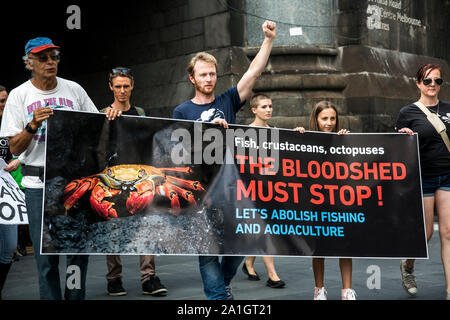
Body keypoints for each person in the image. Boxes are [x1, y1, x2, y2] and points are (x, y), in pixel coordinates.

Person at [0, 37, 115, 300]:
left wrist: (108, 116)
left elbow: (94, 126)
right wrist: (31, 126)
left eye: (54, 57)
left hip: (72, 182)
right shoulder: (19, 96)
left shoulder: (73, 89)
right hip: (38, 186)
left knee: (77, 253)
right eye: (43, 58)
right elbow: (13, 149)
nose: (50, 62)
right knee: (46, 259)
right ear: (29, 63)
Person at [173, 20, 276, 300]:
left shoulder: (228, 101)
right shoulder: (181, 112)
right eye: (203, 74)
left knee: (244, 243)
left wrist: (268, 39)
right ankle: (219, 298)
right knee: (207, 253)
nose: (209, 79)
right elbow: (178, 156)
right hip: (201, 192)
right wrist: (207, 133)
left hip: (233, 190)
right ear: (192, 78)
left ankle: (223, 284)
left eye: (213, 74)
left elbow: (253, 73)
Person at [101, 67, 167, 297]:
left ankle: (148, 277)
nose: (122, 91)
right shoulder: (102, 115)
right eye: (117, 86)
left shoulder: (140, 113)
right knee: (113, 229)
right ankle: (114, 278)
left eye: (126, 86)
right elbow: (96, 148)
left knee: (146, 227)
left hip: (140, 177)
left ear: (132, 86)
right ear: (110, 87)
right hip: (113, 178)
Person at [396, 63, 450, 300]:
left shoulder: (449, 109)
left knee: (448, 233)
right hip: (423, 177)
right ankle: (407, 266)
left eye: (437, 81)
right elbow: (396, 150)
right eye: (427, 81)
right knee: (426, 233)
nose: (432, 86)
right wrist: (402, 138)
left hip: (447, 175)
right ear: (418, 83)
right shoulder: (407, 113)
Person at [294, 101, 355, 300]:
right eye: (324, 119)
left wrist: (347, 141)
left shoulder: (342, 138)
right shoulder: (307, 138)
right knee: (319, 247)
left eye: (332, 118)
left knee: (345, 246)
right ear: (316, 119)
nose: (329, 123)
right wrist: (296, 136)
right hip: (316, 200)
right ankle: (319, 289)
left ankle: (347, 290)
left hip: (339, 200)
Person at [242, 93, 285, 288]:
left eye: (270, 106)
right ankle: (272, 274)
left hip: (271, 188)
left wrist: (298, 132)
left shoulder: (275, 131)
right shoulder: (244, 133)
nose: (268, 109)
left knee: (262, 227)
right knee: (263, 228)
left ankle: (249, 263)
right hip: (252, 189)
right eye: (264, 106)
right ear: (254, 110)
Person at [0, 85, 20, 300]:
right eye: (0, 102)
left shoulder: (12, 123)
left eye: (6, 100)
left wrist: (17, 161)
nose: (5, 105)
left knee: (9, 247)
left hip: (5, 192)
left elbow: (22, 150)